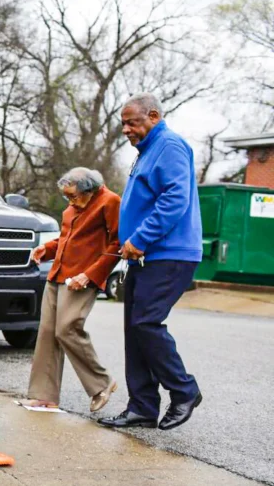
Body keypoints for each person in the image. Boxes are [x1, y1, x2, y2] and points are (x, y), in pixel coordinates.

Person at [99, 93, 203, 430]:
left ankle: (184, 390)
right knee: (134, 329)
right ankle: (142, 407)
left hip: (169, 254)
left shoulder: (170, 146)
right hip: (145, 256)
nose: (126, 130)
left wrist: (140, 239)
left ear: (154, 116)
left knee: (146, 323)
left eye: (132, 122)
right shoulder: (146, 152)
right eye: (123, 124)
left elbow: (175, 199)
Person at [25, 168, 121, 412]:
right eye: (67, 197)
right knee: (47, 332)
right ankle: (45, 395)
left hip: (83, 277)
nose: (70, 201)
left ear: (90, 190)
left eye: (74, 196)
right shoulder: (72, 207)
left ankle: (102, 384)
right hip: (58, 274)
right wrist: (45, 249)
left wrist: (91, 275)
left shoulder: (110, 202)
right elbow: (67, 239)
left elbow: (116, 244)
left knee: (67, 328)